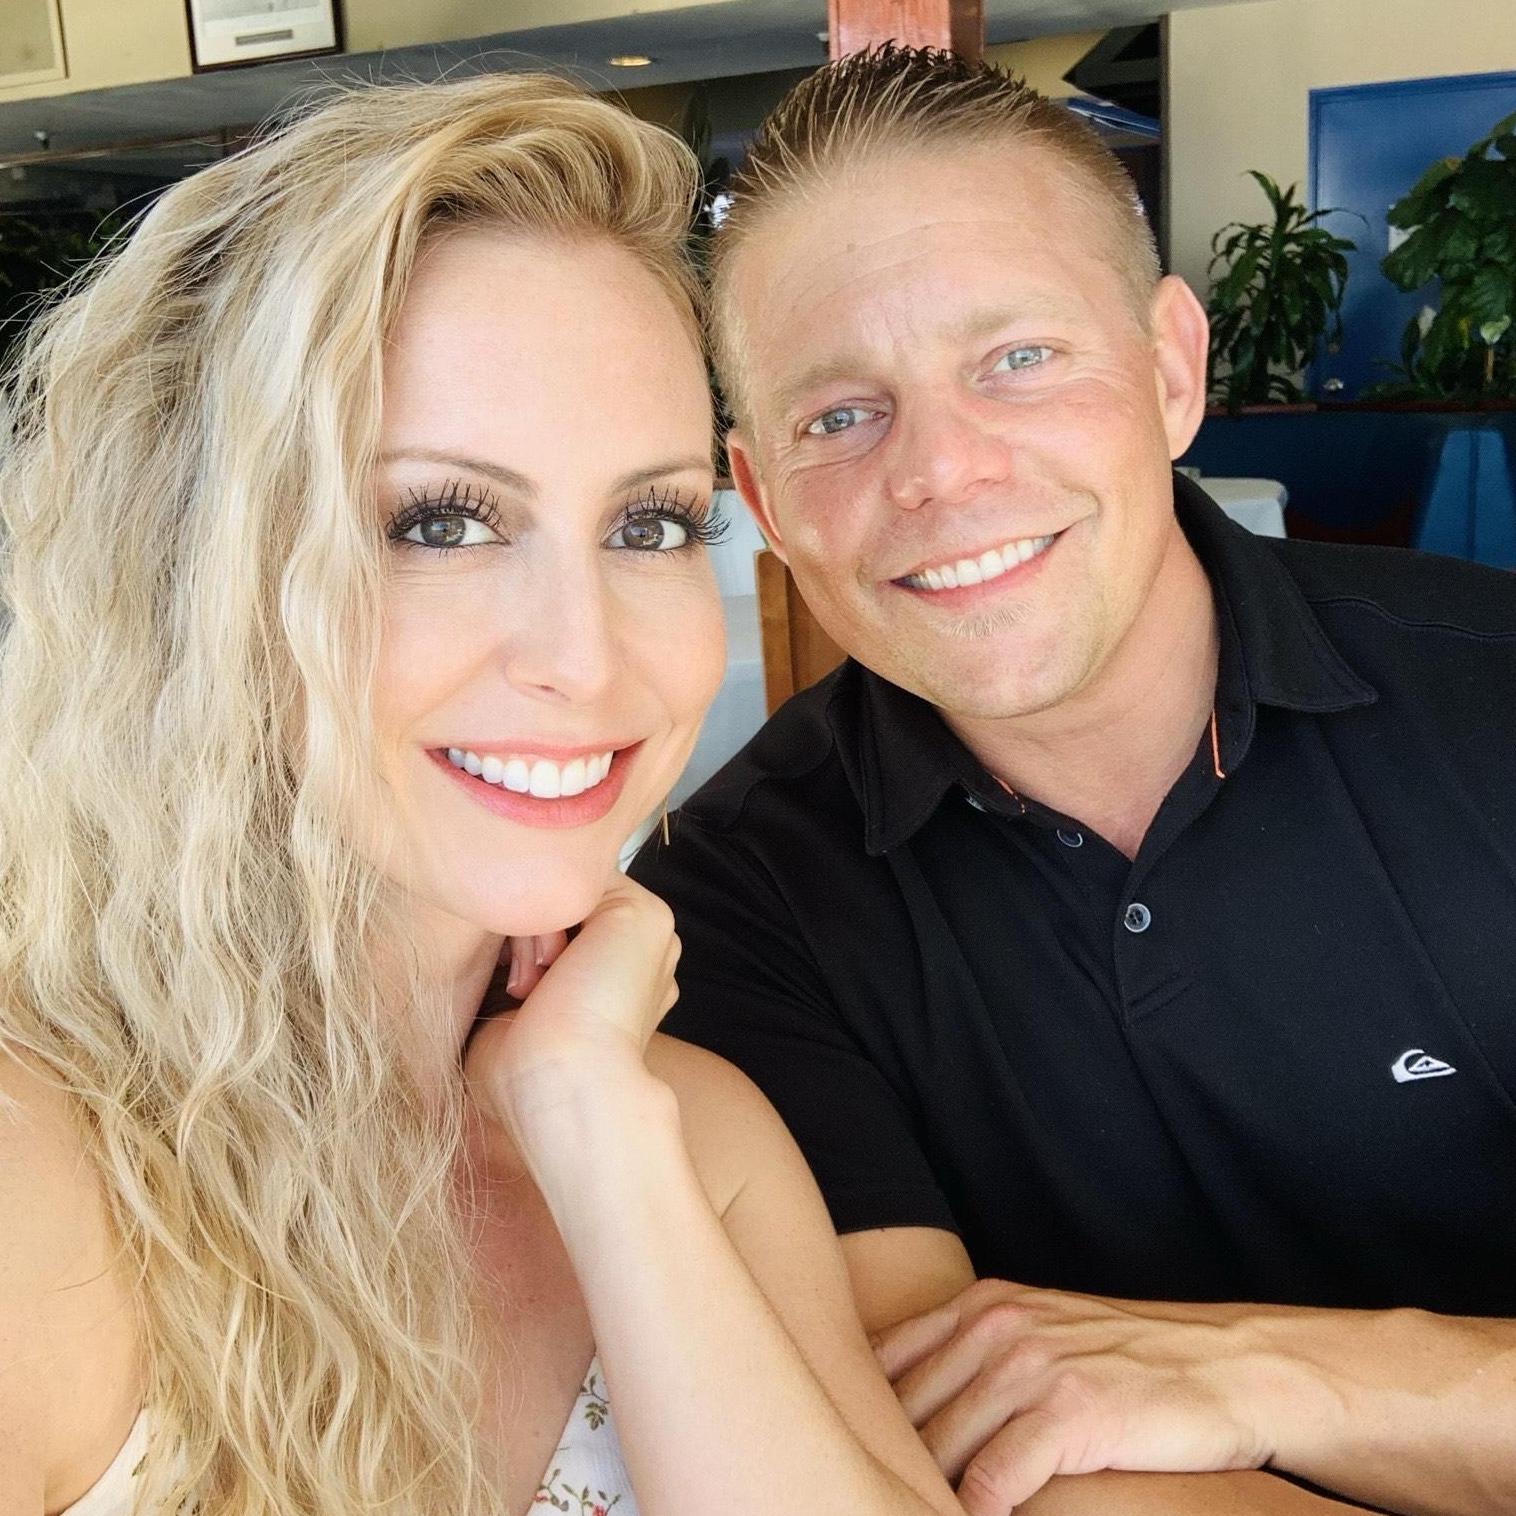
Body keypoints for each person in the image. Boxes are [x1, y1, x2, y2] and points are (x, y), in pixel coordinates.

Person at [0, 73, 966, 1516]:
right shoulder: (36, 1170)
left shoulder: (689, 1135)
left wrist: (593, 1132)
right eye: (442, 523)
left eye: (650, 524)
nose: (587, 656)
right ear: (187, 572)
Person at [630, 44, 1516, 1516]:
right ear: (765, 500)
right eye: (839, 415)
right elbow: (997, 1460)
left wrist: (1272, 1376)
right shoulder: (735, 903)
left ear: (1171, 371)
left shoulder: (1496, 698)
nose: (941, 471)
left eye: (1017, 360)